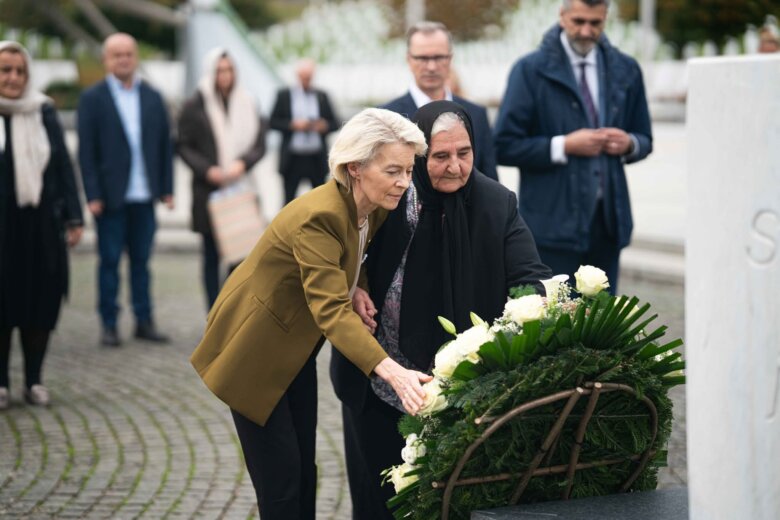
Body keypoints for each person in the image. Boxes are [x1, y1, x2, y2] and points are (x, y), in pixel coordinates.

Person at [190, 108, 431, 520]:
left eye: (409, 170)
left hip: (294, 349)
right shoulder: (320, 216)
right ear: (355, 168)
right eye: (393, 170)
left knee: (304, 472)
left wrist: (357, 285)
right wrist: (392, 371)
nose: (404, 182)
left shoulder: (373, 204)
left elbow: (351, 254)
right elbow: (331, 311)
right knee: (281, 484)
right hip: (252, 352)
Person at [330, 100, 552, 519]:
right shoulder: (391, 195)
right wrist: (355, 283)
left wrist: (532, 302)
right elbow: (344, 249)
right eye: (440, 156)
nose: (454, 167)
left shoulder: (496, 202)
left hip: (462, 395)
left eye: (464, 154)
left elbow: (530, 273)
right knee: (379, 503)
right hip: (379, 384)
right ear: (419, 156)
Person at [494, 0, 652, 294]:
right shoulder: (529, 70)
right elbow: (503, 145)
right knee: (554, 318)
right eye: (578, 21)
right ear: (562, 16)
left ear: (605, 18)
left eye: (595, 23)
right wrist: (564, 145)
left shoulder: (627, 69)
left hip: (607, 225)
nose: (586, 31)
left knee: (603, 320)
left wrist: (629, 143)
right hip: (551, 227)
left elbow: (645, 138)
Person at [0, 41, 83, 409]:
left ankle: (34, 380)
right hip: (2, 230)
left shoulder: (43, 110)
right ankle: (1, 383)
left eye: (19, 71)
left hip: (41, 228)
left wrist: (74, 217)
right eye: (5, 70)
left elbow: (63, 165)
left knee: (41, 302)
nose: (13, 77)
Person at [77, 33, 174, 347]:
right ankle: (109, 323)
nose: (123, 59)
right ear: (106, 59)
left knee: (142, 263)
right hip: (110, 198)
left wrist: (167, 189)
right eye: (117, 54)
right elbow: (86, 152)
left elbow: (164, 145)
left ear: (136, 58)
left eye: (128, 54)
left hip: (145, 196)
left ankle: (144, 320)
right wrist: (92, 194)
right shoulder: (93, 98)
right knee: (109, 263)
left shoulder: (152, 96)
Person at [177, 48, 266, 309]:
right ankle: (213, 312)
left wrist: (243, 163)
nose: (225, 75)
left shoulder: (248, 102)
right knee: (211, 256)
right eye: (219, 70)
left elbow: (260, 143)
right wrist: (207, 170)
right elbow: (183, 145)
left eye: (229, 70)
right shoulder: (195, 105)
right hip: (210, 192)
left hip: (241, 188)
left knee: (241, 257)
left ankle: (232, 312)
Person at [383, 21, 498, 181]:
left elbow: (490, 182)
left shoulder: (476, 115)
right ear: (409, 60)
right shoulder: (386, 118)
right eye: (422, 58)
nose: (431, 67)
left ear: (450, 58)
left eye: (438, 57)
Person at [269, 58, 339, 204]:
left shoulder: (322, 95)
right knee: (288, 201)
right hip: (292, 158)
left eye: (309, 77)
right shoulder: (284, 95)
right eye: (304, 77)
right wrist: (292, 125)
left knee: (320, 200)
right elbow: (272, 122)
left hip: (316, 158)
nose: (306, 81)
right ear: (297, 76)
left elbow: (336, 123)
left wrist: (323, 126)